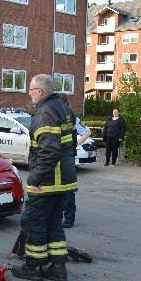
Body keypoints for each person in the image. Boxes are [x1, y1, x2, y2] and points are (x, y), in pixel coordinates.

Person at [12, 74, 77, 281]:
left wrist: (35, 179)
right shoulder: (64, 108)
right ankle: (58, 268)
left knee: (35, 222)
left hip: (48, 181)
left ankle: (34, 267)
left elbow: (49, 150)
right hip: (65, 179)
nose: (29, 93)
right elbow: (71, 142)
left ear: (39, 91)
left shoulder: (45, 113)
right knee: (54, 223)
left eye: (31, 89)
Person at [58, 94, 90, 228]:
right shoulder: (58, 117)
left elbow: (86, 132)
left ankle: (69, 218)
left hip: (66, 156)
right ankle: (64, 217)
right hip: (60, 156)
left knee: (67, 188)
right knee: (61, 188)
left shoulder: (72, 118)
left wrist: (75, 144)